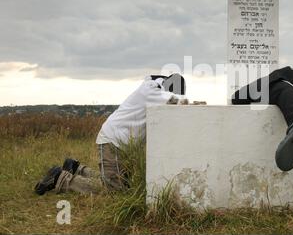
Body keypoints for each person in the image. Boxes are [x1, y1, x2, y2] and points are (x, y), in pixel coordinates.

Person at [34, 73, 187, 195]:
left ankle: (76, 168)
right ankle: (60, 177)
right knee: (114, 190)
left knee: (124, 185)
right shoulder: (152, 90)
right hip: (114, 142)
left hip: (118, 143)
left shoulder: (152, 90)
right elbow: (177, 100)